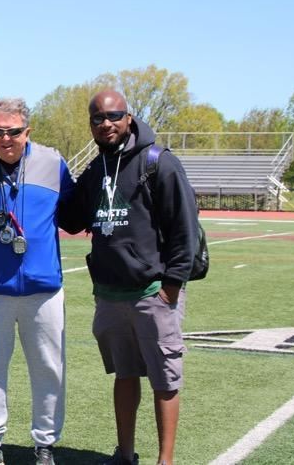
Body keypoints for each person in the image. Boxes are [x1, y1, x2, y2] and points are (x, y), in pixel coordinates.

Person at [58, 90, 198, 465]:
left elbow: (185, 227)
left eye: (113, 116)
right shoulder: (96, 168)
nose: (106, 124)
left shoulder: (159, 162)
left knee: (164, 379)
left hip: (153, 291)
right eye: (97, 119)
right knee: (124, 374)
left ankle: (164, 460)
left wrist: (171, 286)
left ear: (129, 118)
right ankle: (125, 453)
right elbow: (71, 220)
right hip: (110, 294)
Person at [0, 98, 74, 465]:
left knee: (48, 368)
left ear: (28, 131)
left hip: (43, 291)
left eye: (13, 132)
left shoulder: (53, 163)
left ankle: (45, 444)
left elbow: (75, 213)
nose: (6, 138)